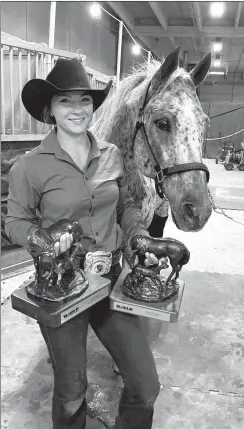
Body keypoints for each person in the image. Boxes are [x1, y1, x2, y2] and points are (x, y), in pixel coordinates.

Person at [5, 58, 161, 429]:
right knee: (72, 389)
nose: (77, 109)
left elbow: (125, 205)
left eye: (85, 101)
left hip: (111, 279)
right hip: (61, 285)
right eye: (65, 101)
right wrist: (39, 239)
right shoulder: (30, 166)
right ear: (50, 110)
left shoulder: (111, 154)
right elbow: (15, 222)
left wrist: (138, 232)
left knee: (145, 383)